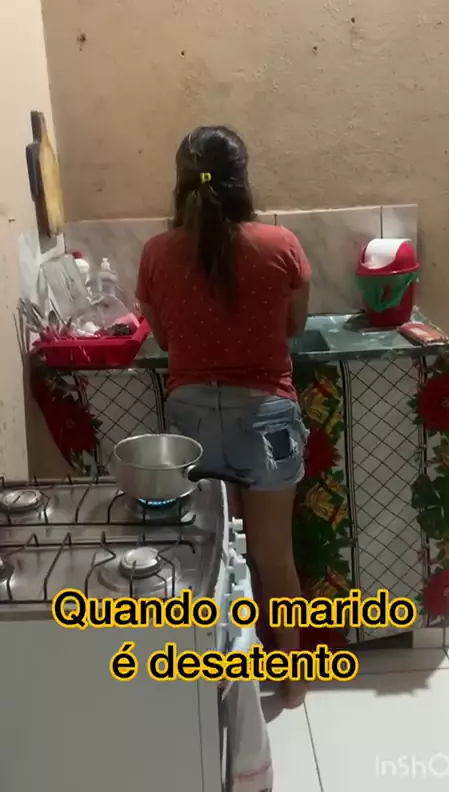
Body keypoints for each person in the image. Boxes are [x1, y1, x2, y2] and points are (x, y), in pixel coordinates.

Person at [136, 126, 311, 708]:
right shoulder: (280, 243)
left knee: (208, 558)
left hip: (192, 421)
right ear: (242, 178)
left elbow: (164, 338)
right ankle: (291, 686)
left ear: (180, 180)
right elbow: (293, 326)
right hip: (265, 415)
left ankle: (218, 690)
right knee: (273, 558)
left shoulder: (156, 252)